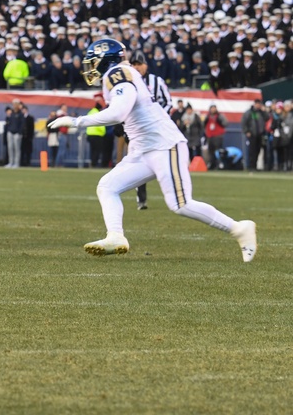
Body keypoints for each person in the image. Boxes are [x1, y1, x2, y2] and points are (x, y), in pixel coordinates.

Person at [48, 38, 256, 262]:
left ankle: (239, 229)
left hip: (163, 145)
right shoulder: (121, 73)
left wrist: (75, 121)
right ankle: (116, 236)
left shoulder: (116, 73)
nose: (90, 66)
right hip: (143, 149)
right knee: (107, 186)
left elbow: (118, 113)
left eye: (93, 61)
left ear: (105, 60)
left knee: (180, 203)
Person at [128, 51, 171, 210]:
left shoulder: (156, 81)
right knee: (137, 162)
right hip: (137, 132)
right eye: (134, 64)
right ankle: (141, 198)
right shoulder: (128, 83)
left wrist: (158, 120)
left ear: (146, 65)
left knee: (161, 162)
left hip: (157, 129)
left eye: (139, 64)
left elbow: (168, 102)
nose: (137, 67)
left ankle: (171, 196)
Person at [241, 99, 267, 171]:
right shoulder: (249, 112)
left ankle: (255, 166)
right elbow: (244, 122)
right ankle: (251, 166)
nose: (258, 105)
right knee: (252, 151)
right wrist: (247, 131)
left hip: (260, 134)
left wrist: (264, 111)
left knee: (258, 150)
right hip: (252, 134)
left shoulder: (261, 113)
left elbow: (267, 118)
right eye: (257, 104)